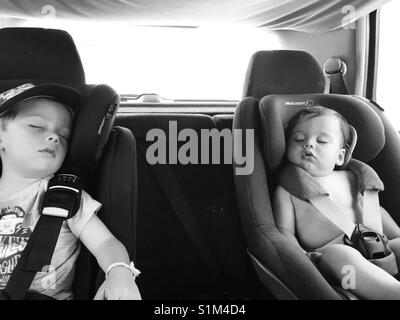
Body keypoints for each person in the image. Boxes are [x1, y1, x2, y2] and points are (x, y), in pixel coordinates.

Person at [0, 83, 141, 300]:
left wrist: (120, 273)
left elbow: (105, 243)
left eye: (64, 135)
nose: (54, 137)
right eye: (36, 126)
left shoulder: (65, 197)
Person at [273, 105, 400, 300]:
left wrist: (395, 237)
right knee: (341, 255)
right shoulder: (287, 190)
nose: (308, 144)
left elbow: (376, 211)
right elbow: (285, 231)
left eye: (322, 140)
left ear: (340, 156)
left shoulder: (352, 178)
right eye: (298, 139)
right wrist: (302, 257)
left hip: (378, 247)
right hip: (329, 257)